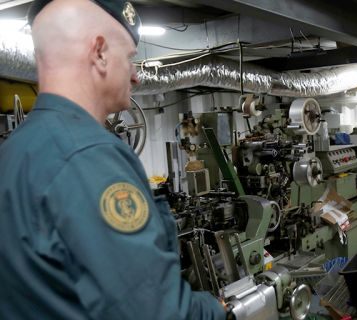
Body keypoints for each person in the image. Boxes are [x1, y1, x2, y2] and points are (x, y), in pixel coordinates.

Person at [0, 1, 226, 319]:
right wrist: (215, 311)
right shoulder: (91, 158)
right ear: (101, 52)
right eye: (130, 58)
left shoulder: (15, 151)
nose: (135, 76)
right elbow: (154, 312)